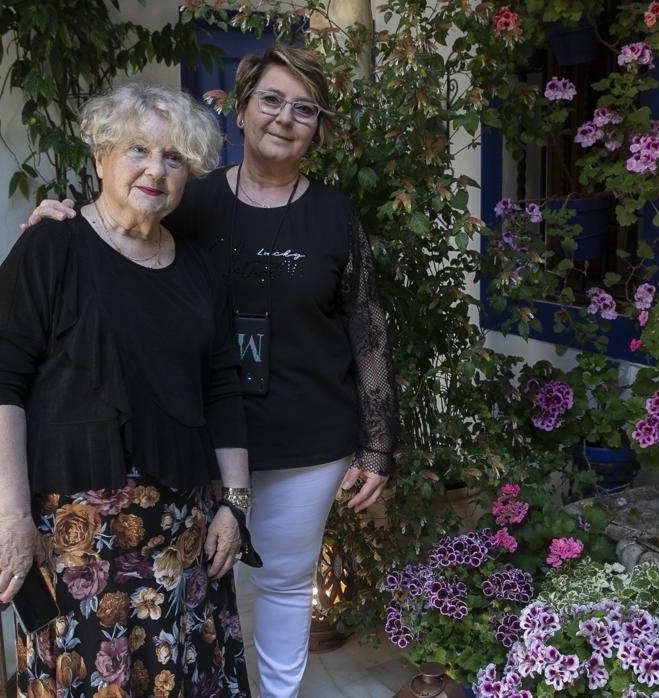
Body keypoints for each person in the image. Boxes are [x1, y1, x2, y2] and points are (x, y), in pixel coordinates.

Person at [23, 45, 398, 698]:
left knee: (281, 582)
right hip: (198, 438)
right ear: (242, 108)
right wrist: (58, 222)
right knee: (191, 590)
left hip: (306, 438)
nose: (285, 117)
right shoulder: (192, 200)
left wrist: (378, 444)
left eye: (304, 108)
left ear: (317, 126)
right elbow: (121, 235)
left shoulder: (334, 214)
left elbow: (367, 328)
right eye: (271, 100)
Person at [0, 83, 252, 697]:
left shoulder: (201, 265)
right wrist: (13, 518)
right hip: (76, 534)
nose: (156, 169)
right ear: (101, 156)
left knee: (180, 670)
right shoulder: (52, 245)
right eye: (138, 150)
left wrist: (235, 504)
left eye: (175, 157)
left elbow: (223, 387)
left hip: (180, 526)